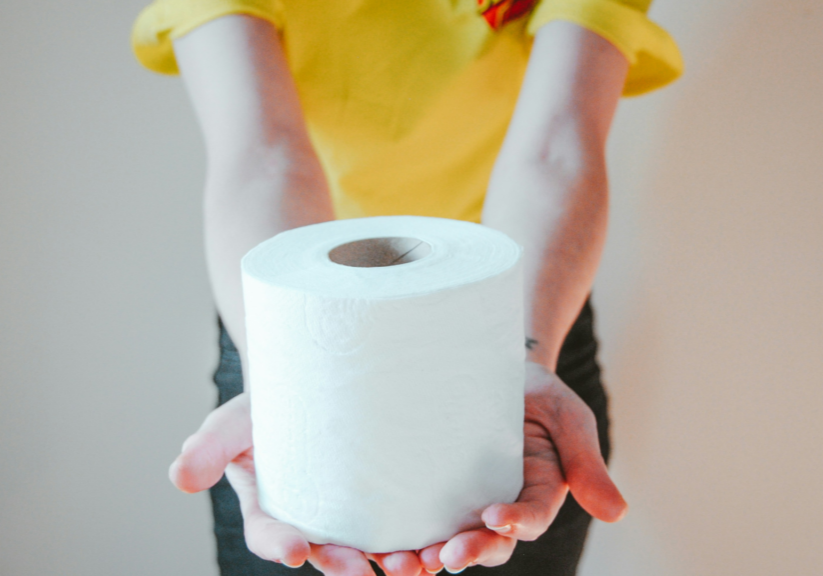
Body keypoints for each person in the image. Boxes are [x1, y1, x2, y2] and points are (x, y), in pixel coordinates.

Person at [131, 2, 681, 575]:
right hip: (295, 335)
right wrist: (287, 389)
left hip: (523, 312)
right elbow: (264, 155)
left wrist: (519, 358)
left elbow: (556, 149)